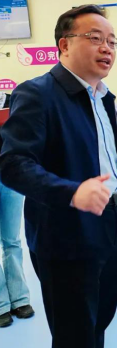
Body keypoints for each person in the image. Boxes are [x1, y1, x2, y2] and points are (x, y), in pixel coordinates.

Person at [0, 4, 117, 348]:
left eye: (112, 41)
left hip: (113, 222)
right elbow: (13, 163)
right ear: (64, 44)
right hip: (67, 235)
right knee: (74, 334)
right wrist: (71, 192)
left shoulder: (104, 98)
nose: (107, 48)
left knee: (100, 322)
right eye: (95, 38)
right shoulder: (38, 93)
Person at [0, 91, 34, 328]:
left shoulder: (12, 100)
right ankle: (1, 303)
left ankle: (19, 298)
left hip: (9, 177)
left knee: (12, 240)